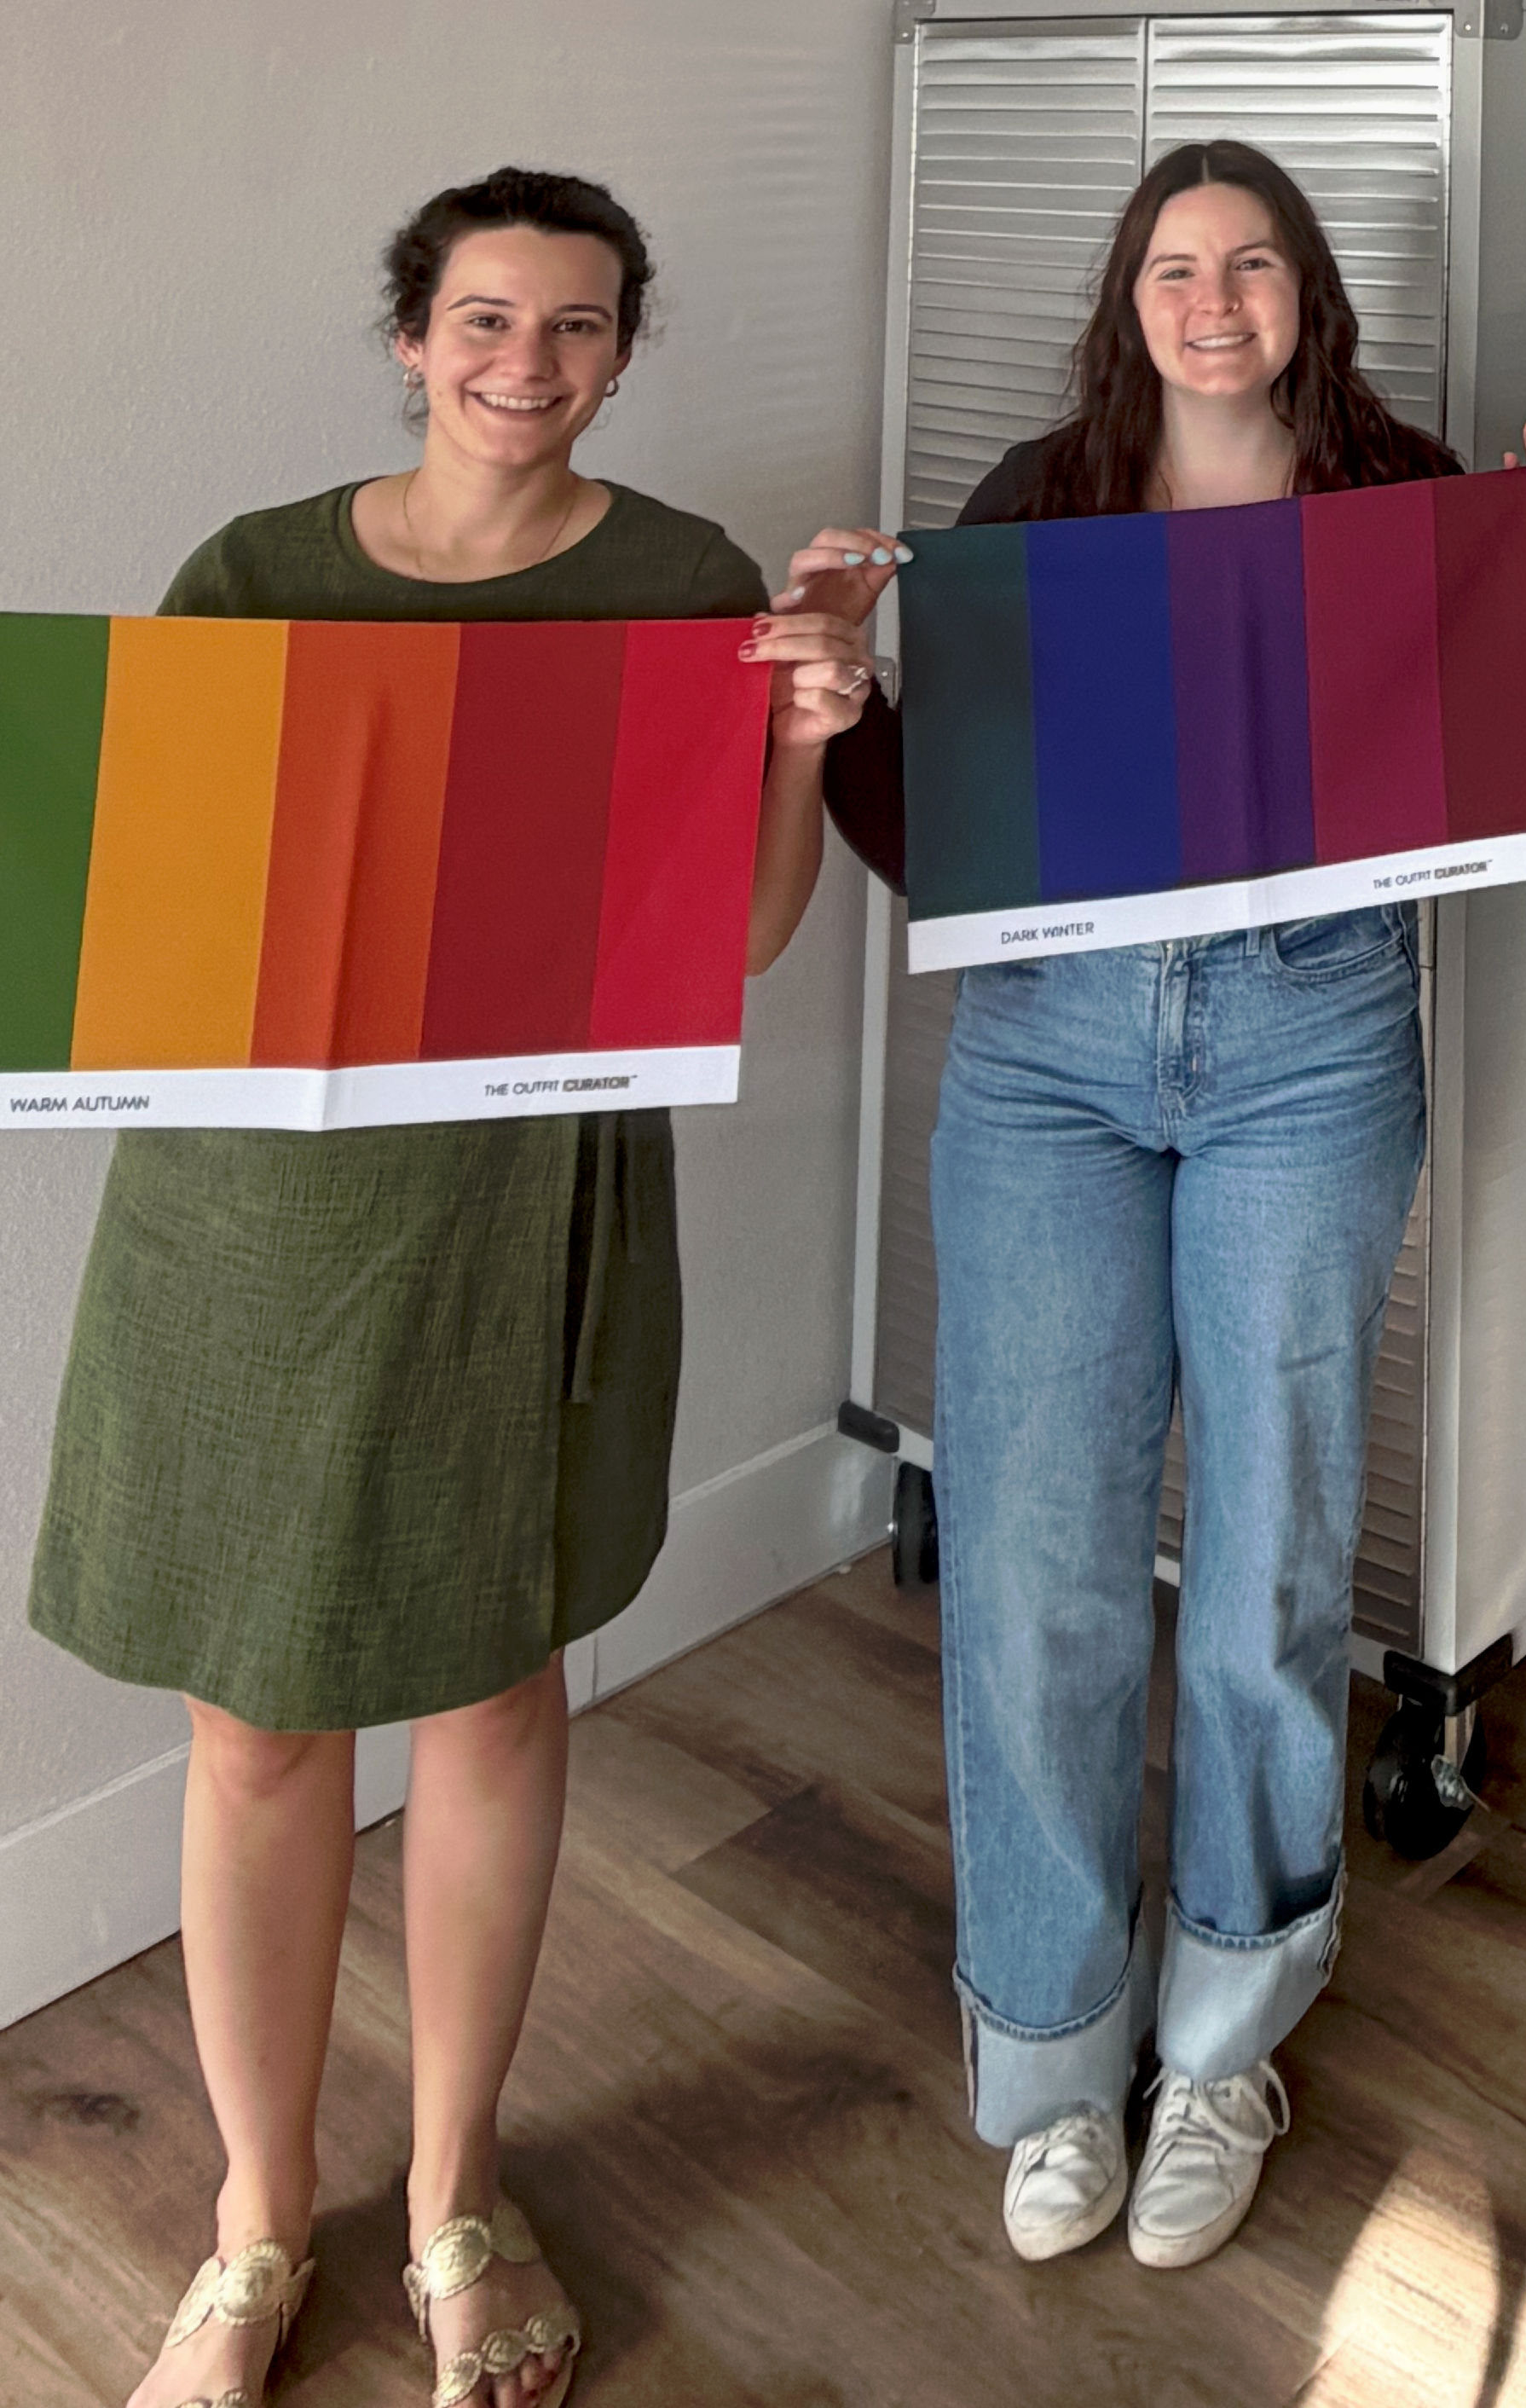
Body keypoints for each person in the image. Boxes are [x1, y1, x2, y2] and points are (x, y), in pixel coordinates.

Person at [30, 170, 874, 2408]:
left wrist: (796, 740)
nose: (528, 362)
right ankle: (245, 2228)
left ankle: (453, 2204)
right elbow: (160, 907)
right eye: (485, 318)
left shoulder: (681, 586)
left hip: (530, 1218)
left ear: (619, 351)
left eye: (577, 327)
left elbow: (748, 937)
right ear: (411, 335)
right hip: (249, 1231)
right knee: (252, 1716)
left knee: (495, 1696)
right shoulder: (253, 577)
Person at [815, 140, 1526, 2283]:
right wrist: (851, 708)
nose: (1215, 296)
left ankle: (1232, 2033)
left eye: (1253, 261)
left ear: (1307, 294)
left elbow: (1506, 774)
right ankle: (1058, 2046)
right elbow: (924, 821)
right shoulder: (1040, 504)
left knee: (1268, 1552)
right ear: (1127, 297)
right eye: (1177, 264)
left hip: (1311, 1046)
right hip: (1048, 1054)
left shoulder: (1400, 491)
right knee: (1042, 1557)